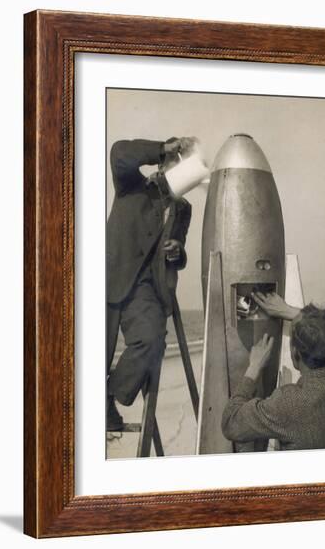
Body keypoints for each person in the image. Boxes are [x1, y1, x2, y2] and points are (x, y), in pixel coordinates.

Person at [106, 137, 193, 431]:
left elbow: (179, 250)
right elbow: (119, 153)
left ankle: (107, 397)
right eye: (175, 164)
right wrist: (160, 147)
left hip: (144, 291)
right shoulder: (131, 184)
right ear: (163, 164)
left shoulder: (183, 209)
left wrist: (177, 251)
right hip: (105, 281)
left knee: (152, 338)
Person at [221, 292, 325, 450]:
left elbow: (230, 423)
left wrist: (253, 368)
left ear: (295, 354)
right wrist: (288, 311)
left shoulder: (288, 404)